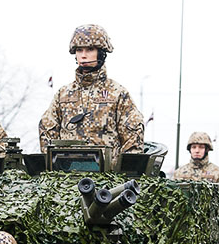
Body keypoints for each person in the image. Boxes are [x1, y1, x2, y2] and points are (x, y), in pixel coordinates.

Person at [38, 24, 144, 163]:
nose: (83, 55)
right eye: (79, 50)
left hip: (108, 179)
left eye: (90, 49)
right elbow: (47, 132)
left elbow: (133, 140)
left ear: (101, 52)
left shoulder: (117, 93)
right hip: (66, 176)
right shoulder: (63, 94)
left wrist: (122, 174)